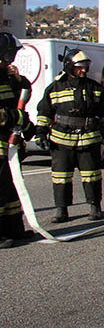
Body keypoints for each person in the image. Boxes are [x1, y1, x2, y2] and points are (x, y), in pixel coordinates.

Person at [35, 49, 104, 222]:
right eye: (79, 67)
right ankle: (61, 210)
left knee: (92, 175)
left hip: (88, 138)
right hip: (61, 139)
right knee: (61, 176)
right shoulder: (55, 88)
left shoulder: (94, 87)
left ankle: (95, 206)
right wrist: (41, 133)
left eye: (85, 67)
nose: (83, 71)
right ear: (69, 67)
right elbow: (44, 112)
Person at [0, 33, 34, 249]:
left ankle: (14, 229)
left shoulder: (5, 75)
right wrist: (16, 118)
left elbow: (21, 95)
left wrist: (19, 80)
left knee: (9, 189)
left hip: (8, 143)